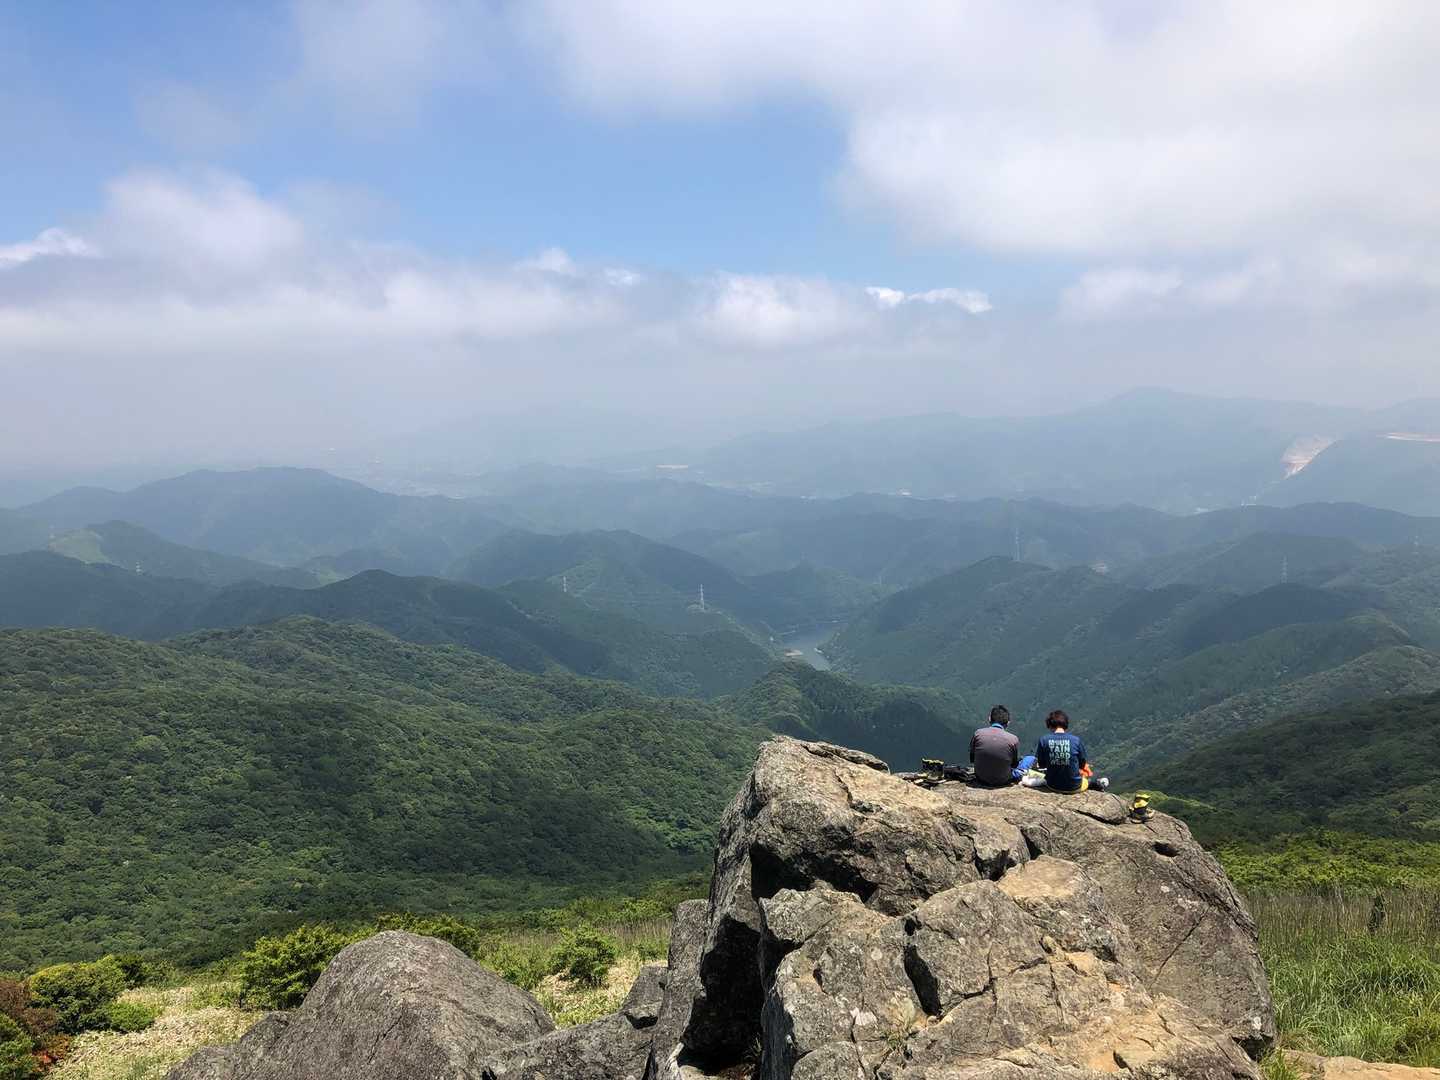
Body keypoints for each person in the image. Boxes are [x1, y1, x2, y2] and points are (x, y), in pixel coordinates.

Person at [1025, 710, 1109, 793]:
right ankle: (1098, 783)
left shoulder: (1043, 740)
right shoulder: (1076, 740)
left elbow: (1042, 764)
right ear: (1065, 724)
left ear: (1049, 725)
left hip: (1052, 785)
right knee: (1086, 781)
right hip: (1074, 787)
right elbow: (1082, 764)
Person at [969, 705, 1020, 786]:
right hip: (1003, 780)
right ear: (1008, 723)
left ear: (989, 719)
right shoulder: (1013, 739)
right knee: (1030, 759)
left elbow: (972, 758)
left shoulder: (978, 733)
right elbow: (1014, 764)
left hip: (980, 778)